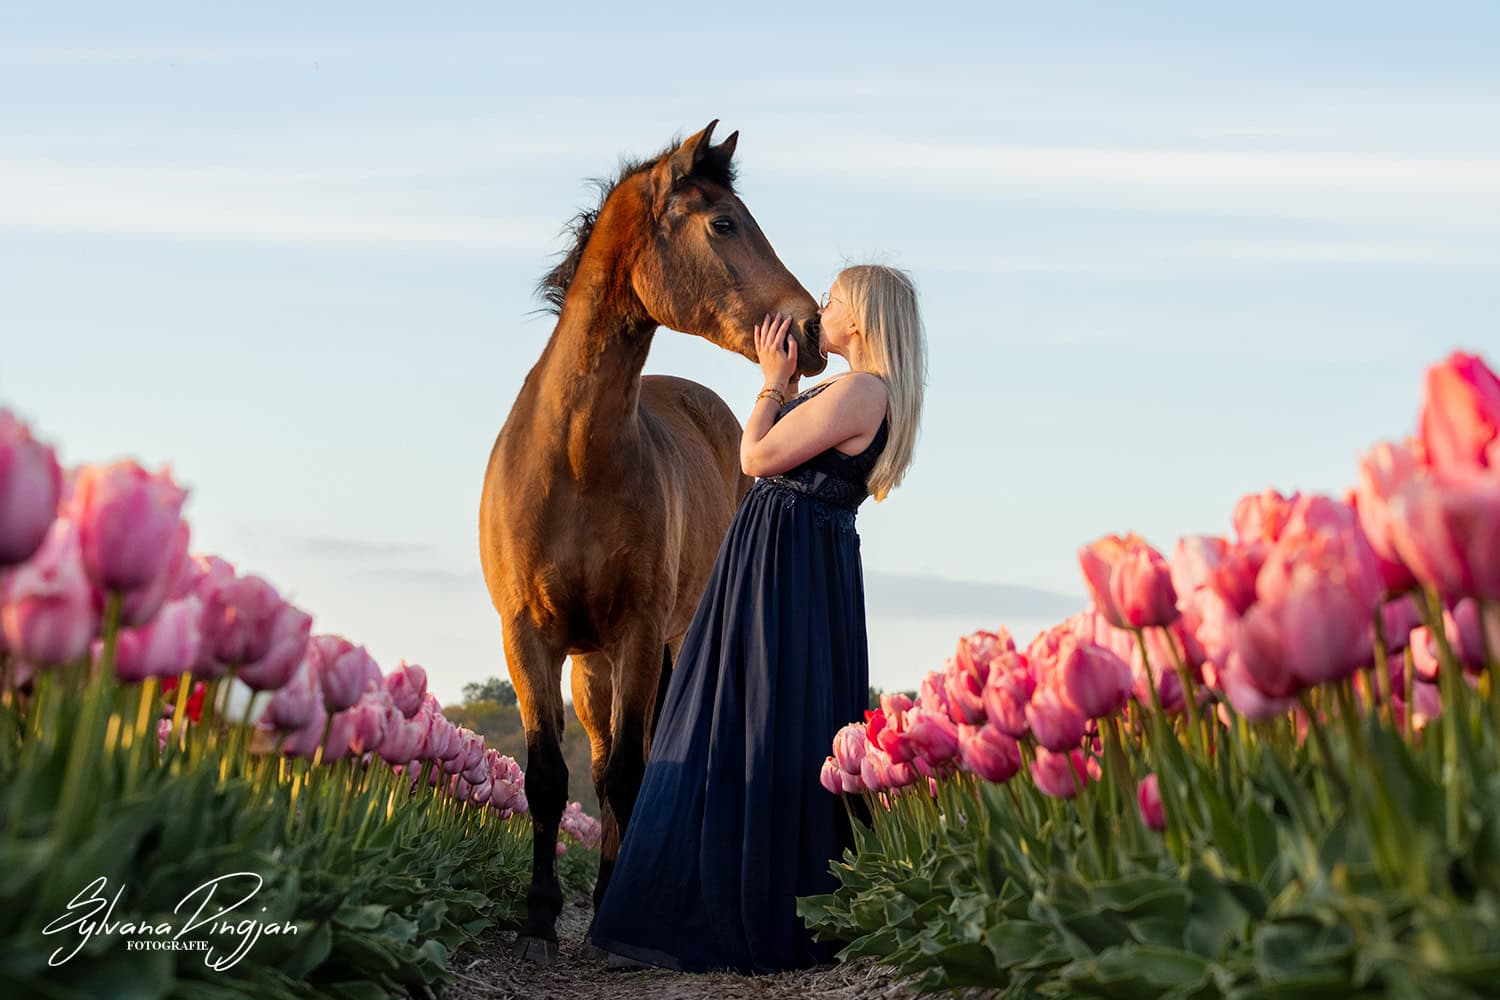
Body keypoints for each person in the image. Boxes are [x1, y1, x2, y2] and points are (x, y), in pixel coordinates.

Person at [587, 264, 927, 973]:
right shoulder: (851, 391)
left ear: (859, 320)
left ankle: (728, 910)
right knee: (747, 717)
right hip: (787, 561)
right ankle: (720, 894)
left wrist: (773, 380)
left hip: (787, 569)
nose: (819, 310)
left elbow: (755, 454)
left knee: (754, 718)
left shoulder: (864, 389)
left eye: (832, 300)